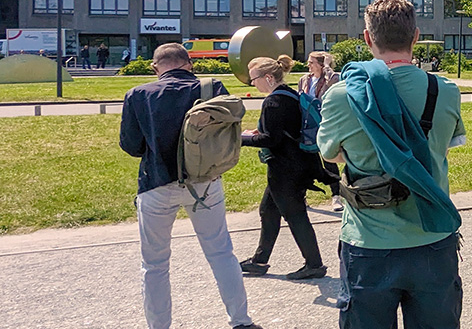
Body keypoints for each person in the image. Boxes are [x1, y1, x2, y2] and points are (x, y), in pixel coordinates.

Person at [318, 0, 467, 328]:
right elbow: (444, 146)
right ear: (415, 37)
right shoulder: (445, 90)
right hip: (433, 237)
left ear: (368, 38)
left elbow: (330, 154)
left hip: (369, 244)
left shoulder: (342, 95)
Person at [119, 43, 261, 329]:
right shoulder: (211, 88)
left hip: (156, 182)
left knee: (154, 264)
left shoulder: (137, 95)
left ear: (156, 67)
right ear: (190, 64)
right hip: (205, 181)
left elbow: (131, 145)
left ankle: (159, 326)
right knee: (221, 252)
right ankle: (240, 320)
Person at [238, 54, 328, 281]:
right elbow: (283, 131)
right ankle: (259, 260)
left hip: (284, 168)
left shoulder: (273, 102)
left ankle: (314, 264)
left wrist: (240, 138)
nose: (252, 83)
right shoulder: (290, 94)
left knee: (295, 215)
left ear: (268, 77)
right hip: (298, 163)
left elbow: (271, 140)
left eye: (254, 78)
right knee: (268, 211)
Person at [298, 51, 344, 211]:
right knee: (306, 162)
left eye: (312, 62)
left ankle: (336, 197)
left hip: (326, 124)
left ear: (321, 64)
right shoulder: (304, 80)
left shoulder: (331, 79)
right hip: (308, 126)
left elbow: (336, 84)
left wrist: (326, 67)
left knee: (329, 160)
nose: (308, 65)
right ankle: (302, 196)